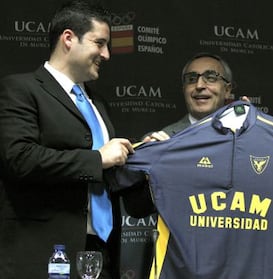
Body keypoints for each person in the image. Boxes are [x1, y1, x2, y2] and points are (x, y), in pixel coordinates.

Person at [0, 1, 134, 278]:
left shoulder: (99, 104)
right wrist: (98, 159)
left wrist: (143, 153)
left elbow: (107, 172)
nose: (106, 54)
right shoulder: (20, 89)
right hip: (44, 254)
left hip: (101, 253)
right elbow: (20, 159)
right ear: (69, 38)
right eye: (100, 43)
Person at [143, 52, 234, 142]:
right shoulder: (159, 140)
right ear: (184, 89)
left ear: (227, 90)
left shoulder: (244, 132)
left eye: (210, 78)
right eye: (191, 79)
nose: (199, 85)